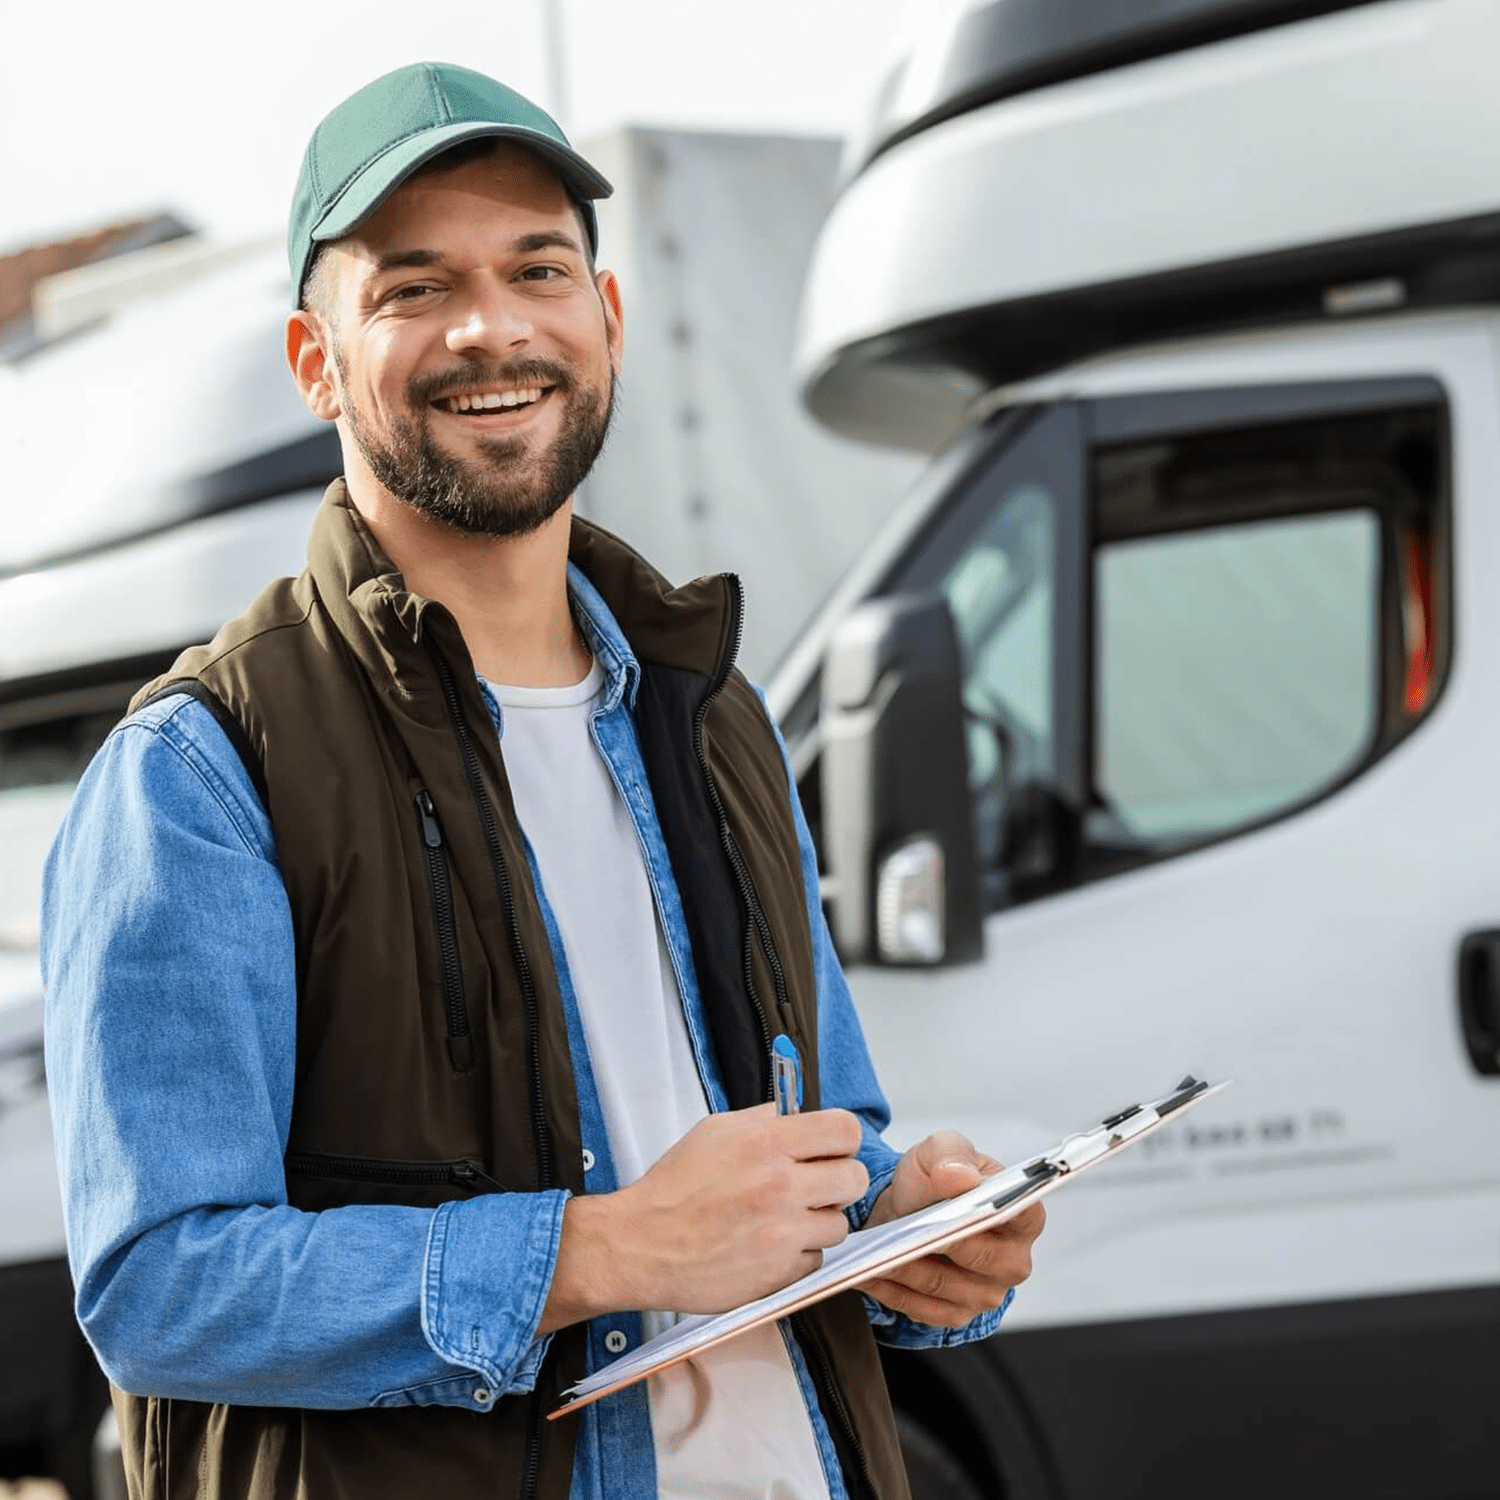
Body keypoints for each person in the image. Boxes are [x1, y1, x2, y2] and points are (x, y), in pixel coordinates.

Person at [40, 62, 1044, 1500]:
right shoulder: (201, 770)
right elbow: (160, 1287)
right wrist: (609, 1252)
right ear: (316, 362)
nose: (492, 326)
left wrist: (904, 1227)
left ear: (608, 319)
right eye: (412, 288)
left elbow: (818, 1134)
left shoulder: (714, 715)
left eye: (538, 269)